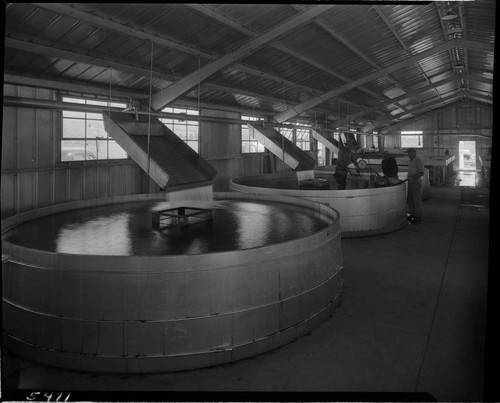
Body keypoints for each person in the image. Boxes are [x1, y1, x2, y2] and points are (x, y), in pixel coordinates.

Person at [406, 148, 425, 224]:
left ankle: (418, 216)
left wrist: (413, 177)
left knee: (416, 199)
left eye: (409, 154)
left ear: (413, 153)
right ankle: (412, 214)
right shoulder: (411, 161)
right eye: (408, 154)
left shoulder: (418, 161)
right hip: (410, 182)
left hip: (415, 183)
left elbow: (421, 172)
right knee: (410, 199)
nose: (408, 155)